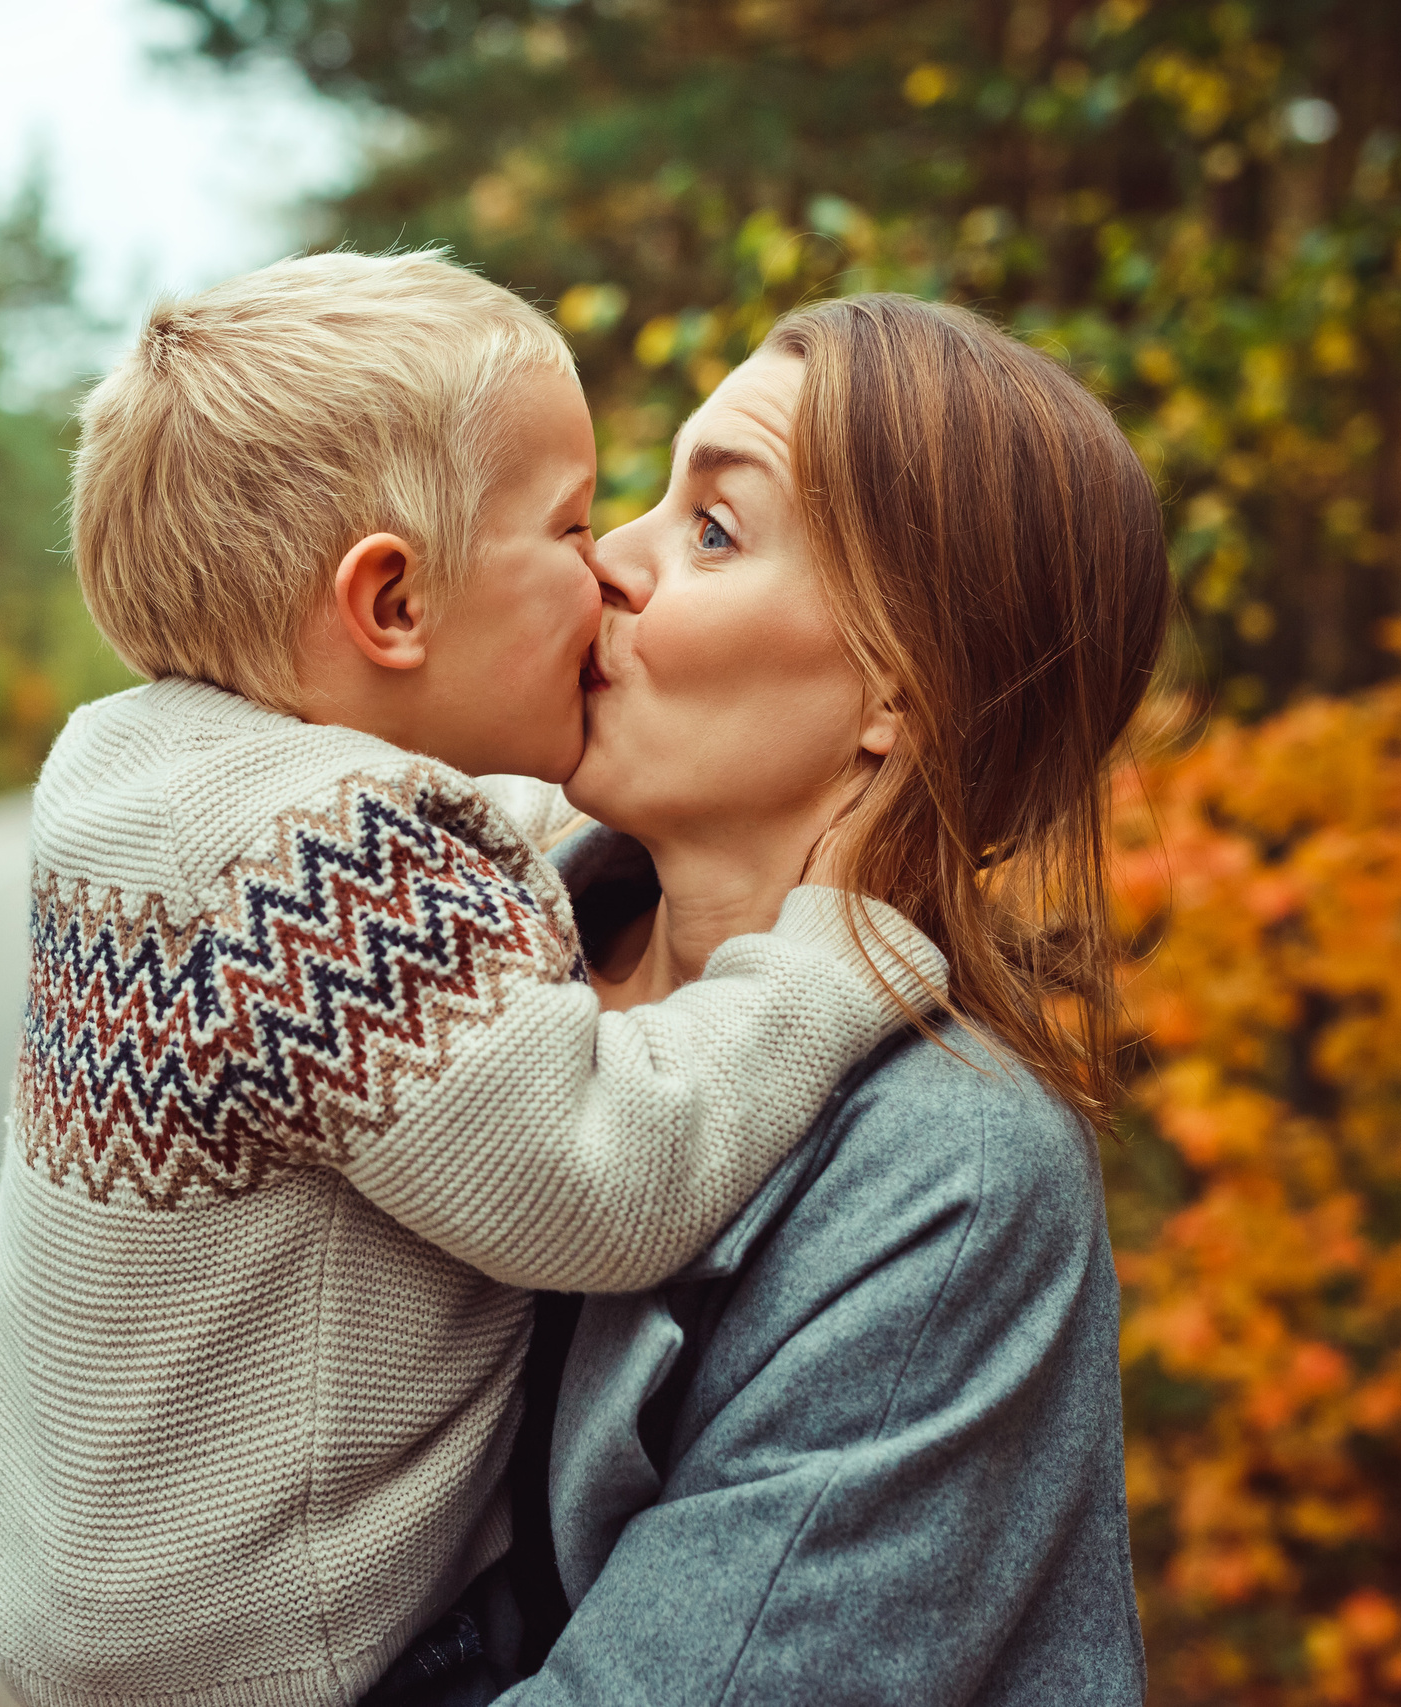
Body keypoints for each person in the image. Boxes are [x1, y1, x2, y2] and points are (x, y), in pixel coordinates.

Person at [0, 252, 945, 1707]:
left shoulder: (152, 778)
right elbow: (603, 1181)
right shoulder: (328, 876)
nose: (608, 557)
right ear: (395, 602)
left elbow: (463, 855)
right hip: (282, 1649)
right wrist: (829, 959)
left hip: (82, 1597)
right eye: (567, 520)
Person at [479, 295, 1170, 1704]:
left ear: (899, 696)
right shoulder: (477, 967)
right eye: (648, 503)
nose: (609, 561)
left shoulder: (951, 1175)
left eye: (712, 530)